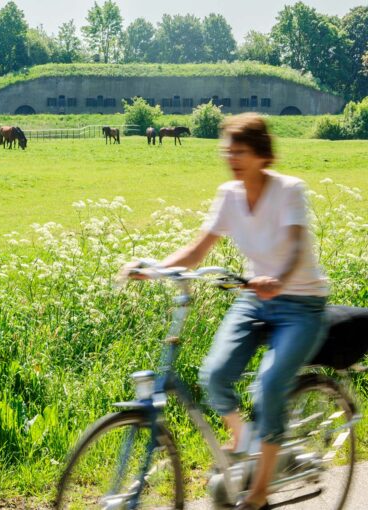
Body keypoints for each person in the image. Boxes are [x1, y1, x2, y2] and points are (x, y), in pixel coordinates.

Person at [123, 113, 328, 510]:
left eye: (241, 151)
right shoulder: (229, 194)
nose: (231, 157)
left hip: (301, 301)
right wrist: (154, 268)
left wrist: (279, 280)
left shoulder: (289, 190)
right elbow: (199, 249)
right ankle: (249, 442)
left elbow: (298, 247)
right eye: (228, 149)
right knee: (214, 374)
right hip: (255, 298)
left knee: (268, 387)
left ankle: (259, 490)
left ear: (262, 155)